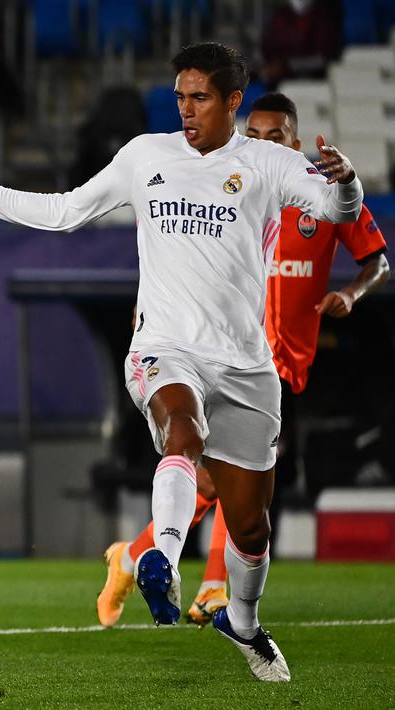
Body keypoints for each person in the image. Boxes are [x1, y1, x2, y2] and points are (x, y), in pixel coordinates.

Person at [0, 42, 364, 682]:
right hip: (164, 348)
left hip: (246, 364)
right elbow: (64, 211)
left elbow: (335, 210)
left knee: (251, 529)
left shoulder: (267, 162)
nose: (186, 110)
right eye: (180, 97)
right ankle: (163, 562)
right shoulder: (145, 156)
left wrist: (346, 182)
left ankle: (242, 620)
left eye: (200, 98)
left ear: (233, 102)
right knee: (182, 430)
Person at [96, 92, 389, 628]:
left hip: (281, 366)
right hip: (224, 358)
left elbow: (377, 259)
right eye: (252, 136)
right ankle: (209, 586)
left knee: (217, 485)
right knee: (225, 478)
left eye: (273, 137)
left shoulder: (318, 199)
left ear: (294, 146)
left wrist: (351, 294)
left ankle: (132, 558)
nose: (259, 145)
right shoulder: (227, 191)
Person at [260, 0, 341, 87]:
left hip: (309, 83)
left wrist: (285, 66)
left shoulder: (322, 16)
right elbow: (266, 48)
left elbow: (321, 59)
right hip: (276, 82)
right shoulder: (281, 15)